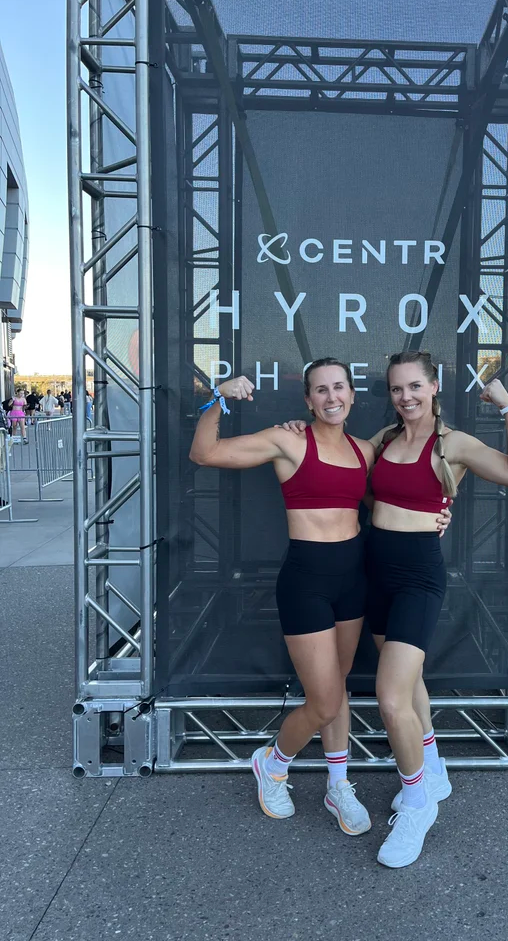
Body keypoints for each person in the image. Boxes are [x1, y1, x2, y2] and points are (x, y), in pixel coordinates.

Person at [188, 358, 451, 839]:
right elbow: (204, 453)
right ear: (307, 400)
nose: (331, 397)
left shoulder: (363, 451)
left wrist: (438, 514)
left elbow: (397, 495)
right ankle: (272, 763)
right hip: (306, 581)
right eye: (320, 391)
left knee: (342, 688)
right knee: (325, 701)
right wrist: (218, 398)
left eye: (339, 388)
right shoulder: (288, 440)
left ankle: (338, 785)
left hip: (354, 579)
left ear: (352, 396)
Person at [367, 351, 508, 867]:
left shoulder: (454, 443)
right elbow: (338, 462)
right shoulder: (384, 438)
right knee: (410, 681)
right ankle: (433, 770)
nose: (406, 397)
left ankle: (417, 804)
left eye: (415, 386)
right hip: (374, 573)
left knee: (390, 697)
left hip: (419, 574)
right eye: (397, 389)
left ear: (434, 386)